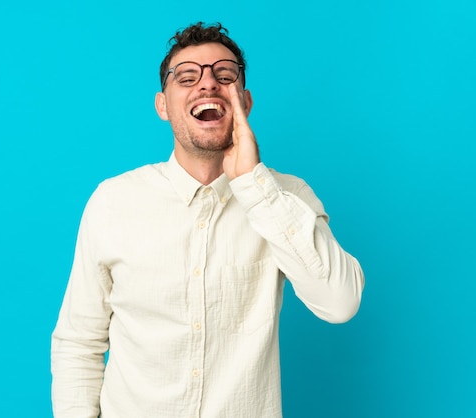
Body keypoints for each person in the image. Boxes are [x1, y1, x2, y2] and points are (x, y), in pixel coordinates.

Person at [51, 22, 364, 418]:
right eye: (187, 77)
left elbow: (340, 302)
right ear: (162, 105)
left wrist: (254, 185)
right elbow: (78, 342)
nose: (207, 85)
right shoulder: (112, 202)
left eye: (224, 75)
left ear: (244, 102)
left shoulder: (286, 197)